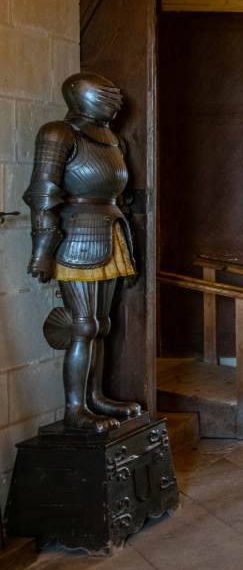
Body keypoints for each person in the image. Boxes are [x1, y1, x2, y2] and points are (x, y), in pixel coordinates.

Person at [24, 72, 142, 434]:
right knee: (84, 326)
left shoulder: (111, 138)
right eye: (106, 93)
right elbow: (43, 195)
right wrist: (42, 251)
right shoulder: (58, 133)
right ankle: (75, 408)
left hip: (109, 227)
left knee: (102, 325)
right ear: (84, 96)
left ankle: (97, 397)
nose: (115, 97)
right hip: (76, 233)